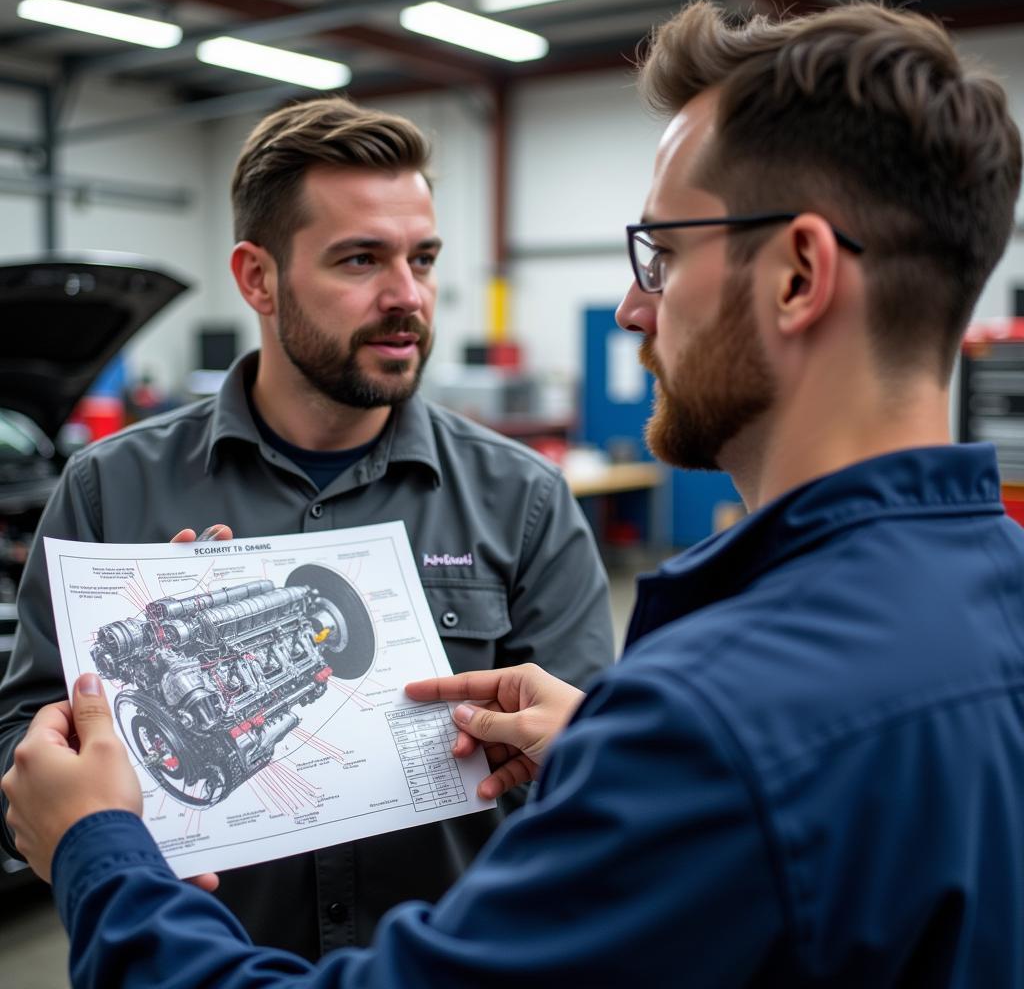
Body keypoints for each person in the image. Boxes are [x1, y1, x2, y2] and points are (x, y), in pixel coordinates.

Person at [5, 0, 1024, 987]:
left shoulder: (709, 710)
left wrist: (101, 849)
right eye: (362, 258)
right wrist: (608, 757)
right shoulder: (991, 601)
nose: (632, 306)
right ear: (256, 278)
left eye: (660, 256)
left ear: (798, 274)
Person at [0, 97, 614, 959]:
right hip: (199, 955)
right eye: (361, 259)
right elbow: (19, 741)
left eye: (424, 258)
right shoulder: (110, 490)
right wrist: (103, 827)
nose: (408, 296)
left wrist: (583, 756)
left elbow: (595, 773)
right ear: (257, 278)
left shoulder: (525, 499)